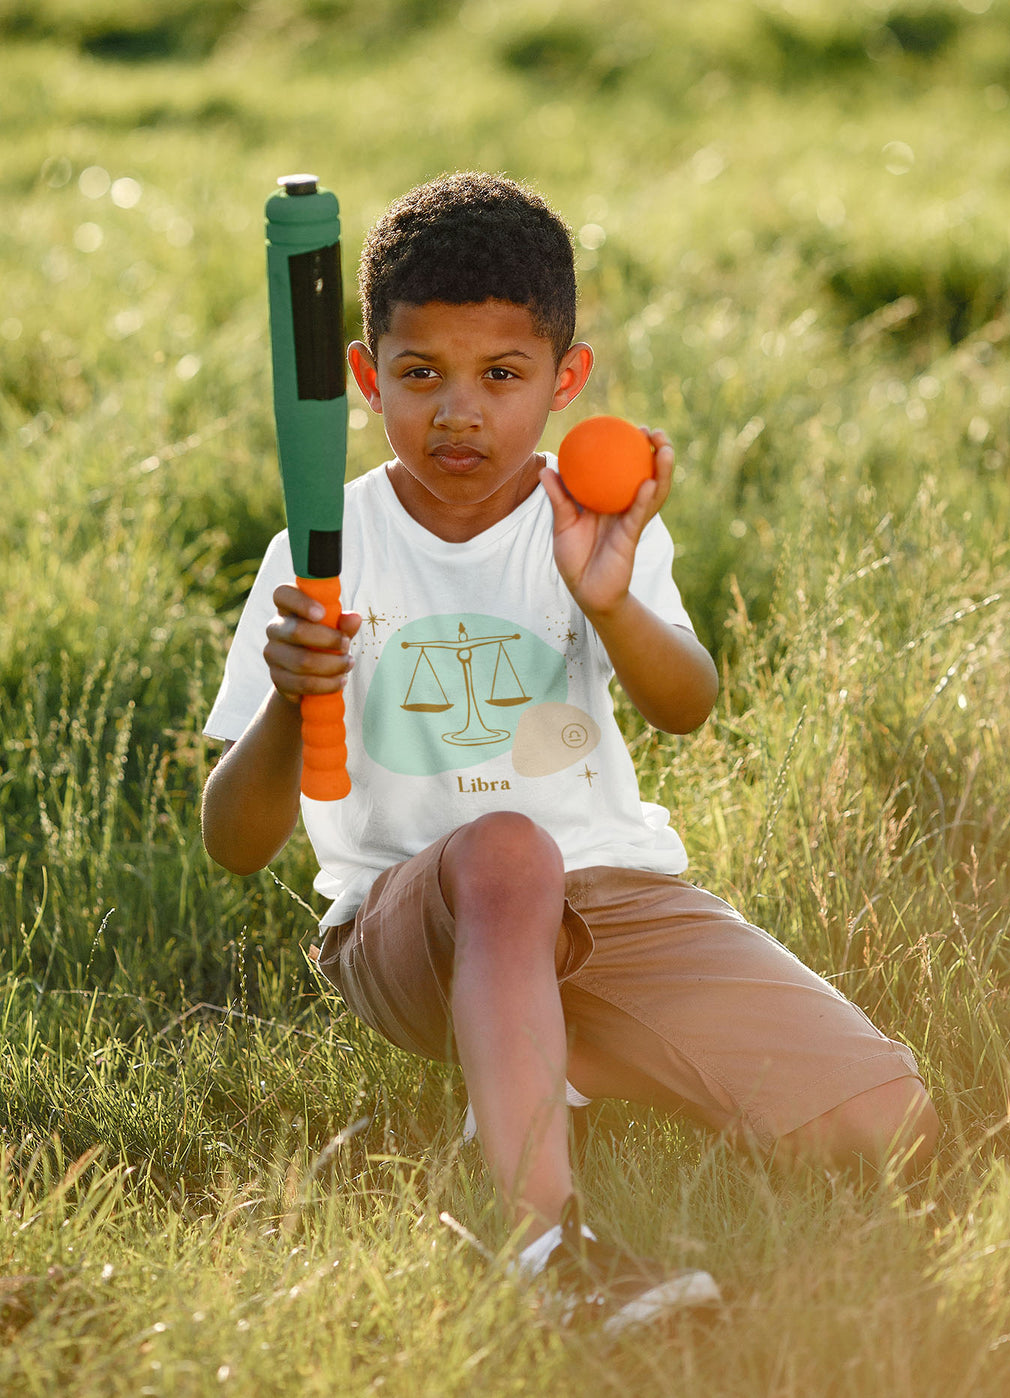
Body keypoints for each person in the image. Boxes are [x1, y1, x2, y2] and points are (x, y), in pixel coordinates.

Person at [201, 171, 938, 1330]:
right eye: (420, 375)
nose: (459, 414)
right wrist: (295, 699)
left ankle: (539, 1071)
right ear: (362, 376)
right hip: (416, 931)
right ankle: (546, 1241)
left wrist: (611, 605)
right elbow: (236, 843)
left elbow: (687, 704)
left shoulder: (586, 528)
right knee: (502, 849)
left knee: (883, 1122)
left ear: (565, 381)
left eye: (502, 377)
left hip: (607, 897)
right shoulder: (319, 546)